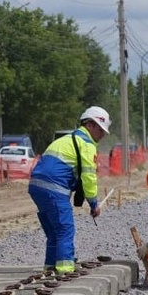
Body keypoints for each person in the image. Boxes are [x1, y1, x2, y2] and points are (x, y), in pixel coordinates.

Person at [28, 106, 109, 273]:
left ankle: (51, 266)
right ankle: (65, 268)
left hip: (36, 186)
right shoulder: (86, 144)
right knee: (65, 228)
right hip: (54, 188)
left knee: (54, 230)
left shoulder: (65, 140)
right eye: (100, 130)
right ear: (89, 125)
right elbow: (89, 177)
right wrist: (94, 204)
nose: (102, 135)